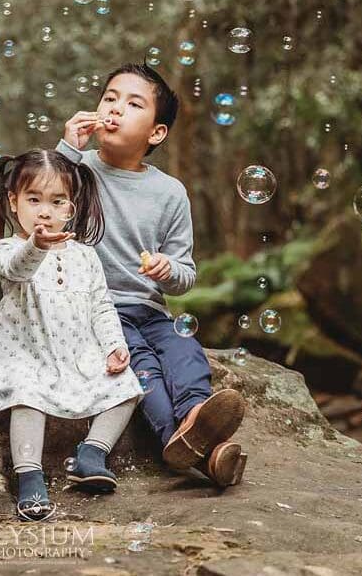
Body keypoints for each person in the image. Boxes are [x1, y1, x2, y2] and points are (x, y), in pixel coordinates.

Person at [56, 63, 248, 486]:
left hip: (150, 309)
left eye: (133, 103)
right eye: (109, 97)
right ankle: (195, 445)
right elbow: (44, 209)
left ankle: (198, 418)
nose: (115, 108)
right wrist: (66, 149)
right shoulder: (78, 171)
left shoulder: (169, 192)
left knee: (186, 353)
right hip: (98, 311)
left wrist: (166, 269)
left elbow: (185, 274)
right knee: (142, 369)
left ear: (156, 133)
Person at [0, 149, 143, 520]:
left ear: (71, 207)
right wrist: (37, 244)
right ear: (13, 201)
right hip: (27, 351)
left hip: (76, 353)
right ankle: (29, 476)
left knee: (127, 386)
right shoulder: (9, 248)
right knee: (26, 394)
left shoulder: (85, 255)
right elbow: (18, 270)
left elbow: (101, 306)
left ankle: (92, 453)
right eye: (33, 199)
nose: (44, 211)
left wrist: (115, 345)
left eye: (56, 201)